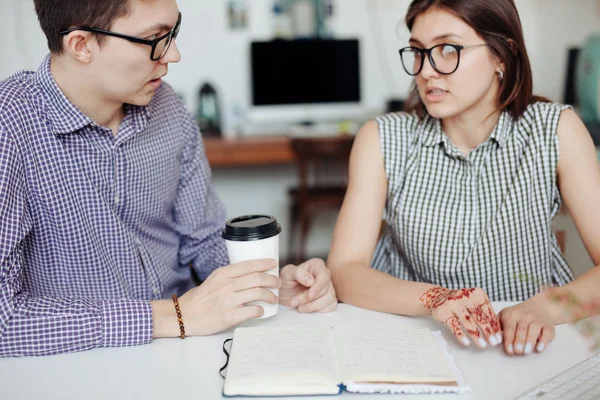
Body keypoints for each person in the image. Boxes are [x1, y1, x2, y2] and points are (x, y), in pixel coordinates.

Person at [0, 0, 337, 357]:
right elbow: (4, 321)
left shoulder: (168, 108)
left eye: (173, 32)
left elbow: (204, 239)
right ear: (81, 45)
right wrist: (173, 316)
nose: (173, 55)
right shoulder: (11, 125)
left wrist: (265, 284)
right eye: (154, 38)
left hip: (185, 348)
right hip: (75, 362)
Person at [328, 0, 600, 356]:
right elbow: (346, 270)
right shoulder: (382, 138)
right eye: (417, 52)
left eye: (447, 49)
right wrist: (435, 298)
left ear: (502, 54)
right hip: (414, 343)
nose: (426, 70)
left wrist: (541, 309)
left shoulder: (554, 129)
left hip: (525, 347)